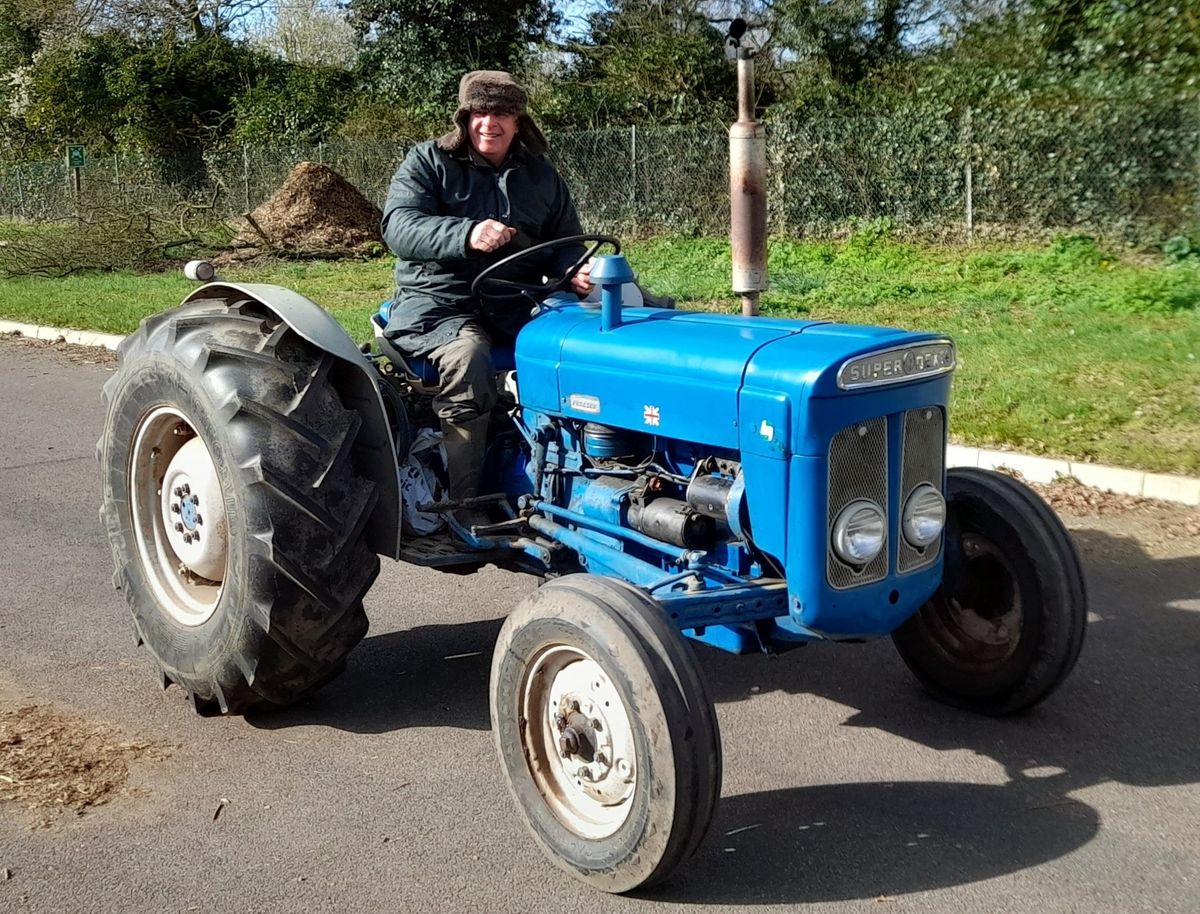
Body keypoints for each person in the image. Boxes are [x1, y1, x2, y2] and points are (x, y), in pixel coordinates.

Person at [380, 70, 590, 530]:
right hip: (439, 305)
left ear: (518, 122)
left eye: (502, 114)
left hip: (516, 302)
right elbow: (398, 227)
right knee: (470, 357)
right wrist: (466, 233)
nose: (489, 123)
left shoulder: (540, 175)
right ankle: (464, 505)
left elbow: (567, 241)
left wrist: (574, 270)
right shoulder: (428, 162)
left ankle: (575, 480)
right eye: (479, 113)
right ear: (464, 118)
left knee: (590, 345)